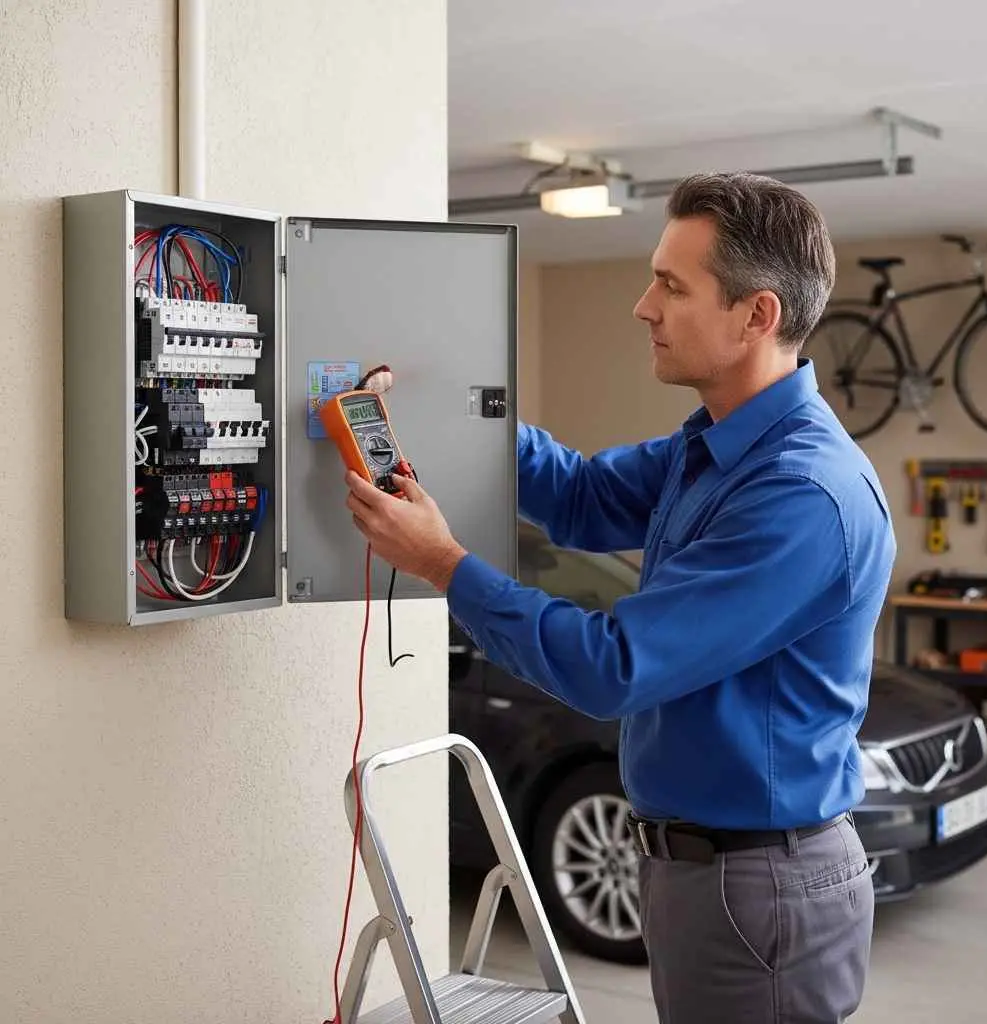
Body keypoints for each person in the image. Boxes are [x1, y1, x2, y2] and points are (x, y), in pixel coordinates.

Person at [343, 171, 897, 1023]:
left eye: (673, 286)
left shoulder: (801, 496)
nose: (644, 306)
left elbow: (613, 666)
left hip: (758, 883)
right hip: (700, 871)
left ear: (757, 316)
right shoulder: (717, 446)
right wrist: (446, 409)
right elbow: (581, 495)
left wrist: (445, 565)